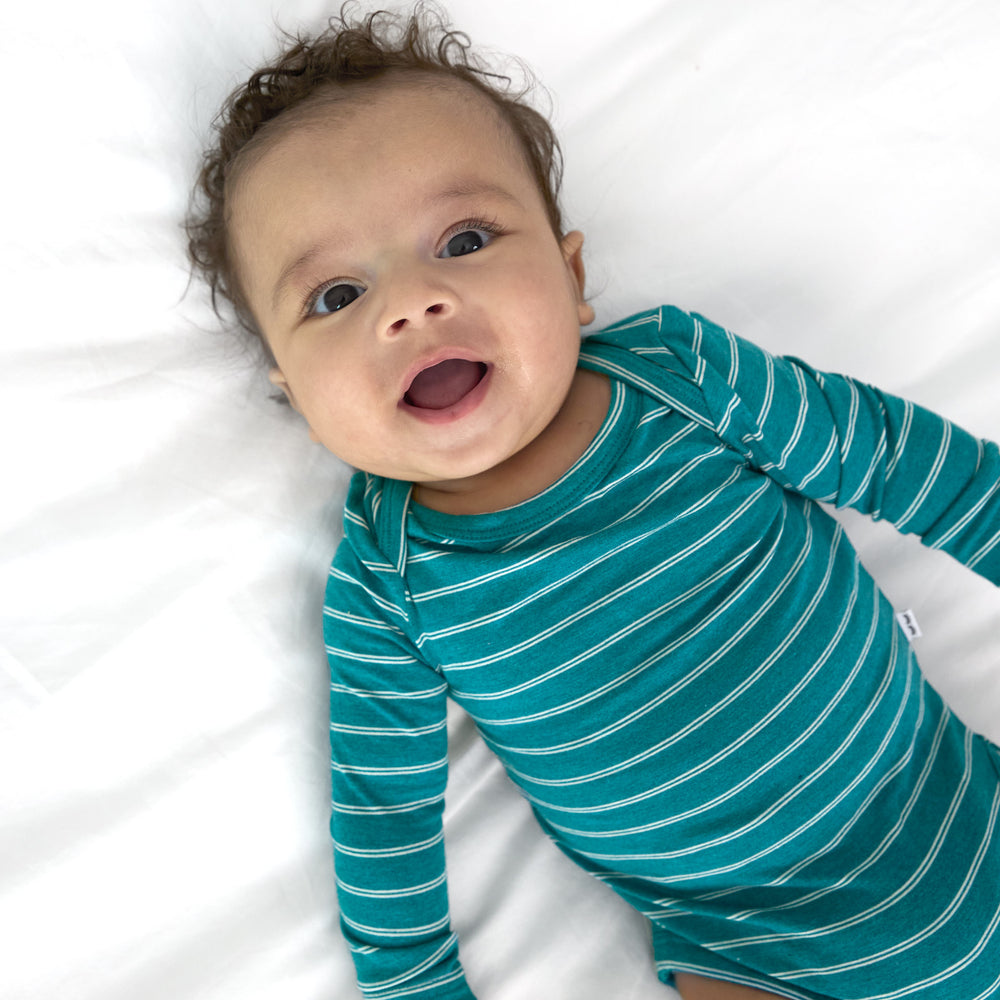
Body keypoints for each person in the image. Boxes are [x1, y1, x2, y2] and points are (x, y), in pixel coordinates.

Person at [185, 4, 1000, 998]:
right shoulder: (385, 578)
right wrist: (416, 983)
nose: (412, 301)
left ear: (571, 278)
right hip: (747, 949)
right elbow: (384, 822)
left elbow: (900, 462)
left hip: (946, 793)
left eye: (465, 236)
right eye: (336, 297)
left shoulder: (682, 377)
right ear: (296, 395)